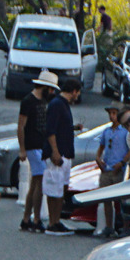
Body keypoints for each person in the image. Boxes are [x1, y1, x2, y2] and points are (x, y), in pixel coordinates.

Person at [17, 70, 57, 233]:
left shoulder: (43, 101)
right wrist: (22, 149)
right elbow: (21, 126)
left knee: (35, 182)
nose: (53, 93)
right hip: (33, 145)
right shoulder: (28, 101)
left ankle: (27, 218)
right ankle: (36, 218)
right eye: (51, 89)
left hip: (41, 144)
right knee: (39, 181)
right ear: (45, 87)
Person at [42, 77, 83, 235]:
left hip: (65, 152)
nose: (77, 96)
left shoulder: (63, 105)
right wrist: (55, 151)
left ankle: (56, 220)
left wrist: (72, 128)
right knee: (55, 188)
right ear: (73, 91)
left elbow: (59, 126)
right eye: (77, 93)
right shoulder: (57, 104)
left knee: (61, 187)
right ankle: (53, 222)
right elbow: (50, 130)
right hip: (58, 154)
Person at [93, 104, 130, 238]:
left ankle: (125, 226)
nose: (111, 116)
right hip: (107, 168)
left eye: (114, 113)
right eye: (110, 113)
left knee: (121, 200)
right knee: (106, 198)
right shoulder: (107, 131)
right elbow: (101, 146)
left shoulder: (125, 131)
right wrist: (98, 158)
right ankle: (109, 226)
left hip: (119, 169)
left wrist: (122, 162)